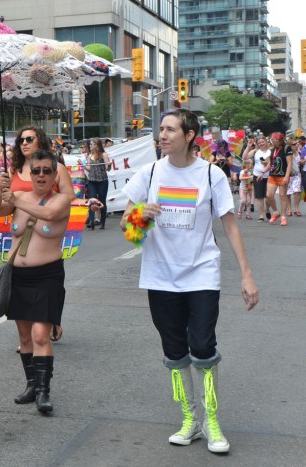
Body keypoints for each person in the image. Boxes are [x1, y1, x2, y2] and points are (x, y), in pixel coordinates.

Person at [120, 109, 259, 454]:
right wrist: (139, 215)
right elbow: (126, 225)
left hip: (201, 273)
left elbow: (229, 224)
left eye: (170, 129)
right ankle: (189, 418)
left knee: (202, 348)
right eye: (161, 130)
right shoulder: (149, 172)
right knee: (175, 352)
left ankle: (211, 420)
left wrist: (246, 273)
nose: (162, 135)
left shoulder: (210, 175)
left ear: (190, 135)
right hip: (160, 276)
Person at [0, 149, 71, 414]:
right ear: (30, 173)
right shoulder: (20, 197)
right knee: (24, 335)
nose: (41, 176)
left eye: (47, 171)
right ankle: (31, 385)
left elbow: (47, 216)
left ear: (54, 174)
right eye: (36, 171)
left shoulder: (61, 200)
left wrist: (14, 198)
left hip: (47, 276)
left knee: (39, 334)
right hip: (19, 277)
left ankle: (44, 391)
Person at [0, 126, 80, 345]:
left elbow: (68, 196)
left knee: (43, 312)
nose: (24, 143)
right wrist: (1, 188)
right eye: (21, 139)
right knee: (26, 333)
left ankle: (49, 321)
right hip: (20, 233)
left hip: (47, 228)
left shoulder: (57, 168)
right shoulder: (14, 169)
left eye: (29, 139)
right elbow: (2, 206)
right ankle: (28, 340)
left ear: (40, 140)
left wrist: (52, 206)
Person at [80, 138, 110, 230]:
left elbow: (107, 168)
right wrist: (82, 164)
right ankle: (92, 220)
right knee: (91, 200)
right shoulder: (89, 156)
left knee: (102, 200)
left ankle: (102, 222)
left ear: (96, 145)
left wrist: (108, 165)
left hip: (102, 181)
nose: (90, 146)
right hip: (92, 181)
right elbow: (89, 169)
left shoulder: (103, 155)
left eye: (92, 144)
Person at [265, 132, 292, 226]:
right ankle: (276, 212)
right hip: (272, 175)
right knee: (269, 195)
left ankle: (283, 216)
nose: (272, 141)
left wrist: (287, 176)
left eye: (273, 139)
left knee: (282, 196)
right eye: (271, 139)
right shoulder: (273, 149)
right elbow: (271, 163)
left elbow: (289, 163)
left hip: (282, 176)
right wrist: (263, 172)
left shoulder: (286, 148)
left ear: (279, 140)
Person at [244, 136, 271, 222]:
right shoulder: (256, 151)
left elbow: (274, 163)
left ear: (266, 141)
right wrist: (248, 147)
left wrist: (267, 163)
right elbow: (245, 157)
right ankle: (261, 215)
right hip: (257, 175)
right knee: (259, 196)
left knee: (268, 196)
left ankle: (267, 209)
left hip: (269, 175)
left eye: (262, 142)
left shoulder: (271, 151)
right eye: (259, 143)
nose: (261, 144)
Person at [286, 140, 301, 217]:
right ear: (290, 146)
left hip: (297, 175)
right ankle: (289, 209)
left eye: (295, 144)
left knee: (297, 192)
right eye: (293, 144)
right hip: (288, 175)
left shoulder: (299, 152)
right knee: (288, 193)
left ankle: (296, 209)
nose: (295, 145)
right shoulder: (287, 153)